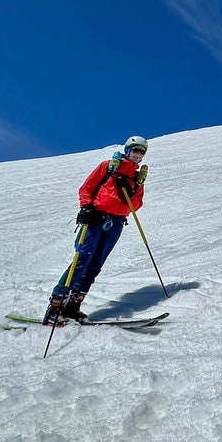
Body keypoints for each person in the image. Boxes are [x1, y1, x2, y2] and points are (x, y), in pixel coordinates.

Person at [42, 136, 148, 325]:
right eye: (135, 150)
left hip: (116, 223)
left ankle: (73, 306)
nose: (137, 155)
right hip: (95, 219)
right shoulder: (108, 166)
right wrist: (87, 206)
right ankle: (55, 306)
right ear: (127, 150)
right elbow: (86, 188)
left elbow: (136, 205)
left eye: (141, 152)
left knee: (95, 265)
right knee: (82, 260)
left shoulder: (137, 178)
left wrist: (132, 192)